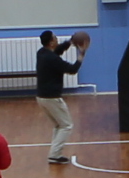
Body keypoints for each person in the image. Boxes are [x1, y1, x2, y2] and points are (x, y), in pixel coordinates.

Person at [34, 28, 89, 165]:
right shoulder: (52, 59)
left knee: (59, 125)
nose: (57, 39)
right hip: (51, 98)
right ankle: (54, 155)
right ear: (51, 42)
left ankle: (55, 154)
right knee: (67, 125)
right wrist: (81, 54)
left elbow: (58, 50)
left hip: (41, 97)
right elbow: (72, 70)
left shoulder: (42, 53)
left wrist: (70, 41)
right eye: (55, 38)